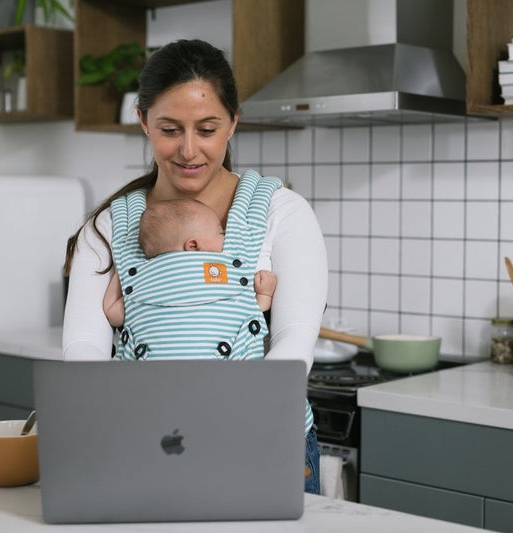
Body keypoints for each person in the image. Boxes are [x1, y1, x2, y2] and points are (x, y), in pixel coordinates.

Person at [62, 39, 328, 494]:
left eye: (207, 129)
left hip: (261, 437)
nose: (188, 151)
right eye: (170, 129)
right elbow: (84, 345)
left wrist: (232, 415)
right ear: (143, 121)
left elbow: (293, 338)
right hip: (141, 440)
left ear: (233, 123)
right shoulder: (108, 226)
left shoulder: (281, 211)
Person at [103, 198, 277, 327]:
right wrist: (265, 295)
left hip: (156, 367)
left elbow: (112, 314)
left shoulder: (144, 281)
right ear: (193, 245)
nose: (225, 239)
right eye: (220, 233)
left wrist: (124, 269)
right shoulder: (220, 272)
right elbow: (248, 312)